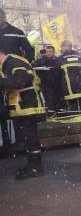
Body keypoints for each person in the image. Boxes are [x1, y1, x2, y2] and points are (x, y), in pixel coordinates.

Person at [0, 45, 46, 179]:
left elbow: (21, 81)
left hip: (28, 105)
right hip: (22, 106)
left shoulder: (13, 61)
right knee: (28, 136)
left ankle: (36, 168)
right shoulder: (7, 64)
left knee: (30, 136)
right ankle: (33, 165)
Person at [57, 40, 81, 112]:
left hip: (69, 91)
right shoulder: (80, 55)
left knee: (73, 112)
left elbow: (57, 76)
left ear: (63, 47)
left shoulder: (60, 58)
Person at [32, 45, 61, 113]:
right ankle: (49, 112)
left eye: (50, 52)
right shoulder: (41, 60)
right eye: (47, 52)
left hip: (56, 83)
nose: (48, 53)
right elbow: (33, 66)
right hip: (45, 83)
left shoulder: (57, 60)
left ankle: (57, 111)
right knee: (48, 99)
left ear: (54, 52)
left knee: (56, 98)